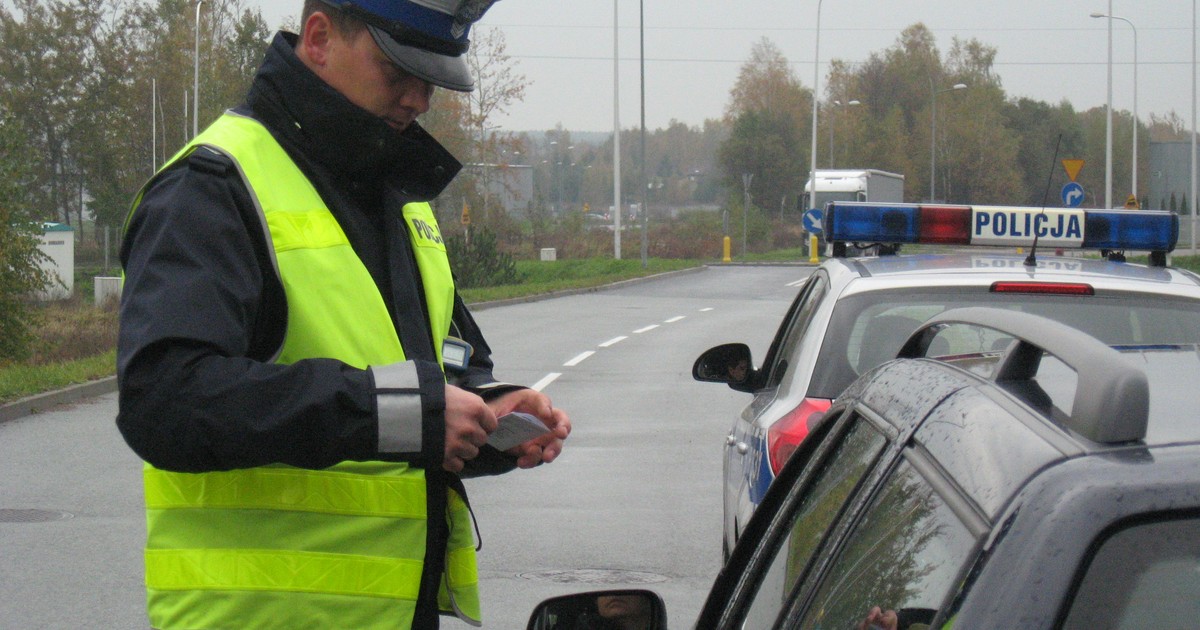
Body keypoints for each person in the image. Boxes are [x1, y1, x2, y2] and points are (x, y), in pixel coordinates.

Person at [115, 0, 570, 628]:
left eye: (432, 80)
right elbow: (164, 399)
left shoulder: (396, 196)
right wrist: (409, 414)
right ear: (321, 38)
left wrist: (486, 414)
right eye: (397, 71)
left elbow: (433, 372)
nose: (419, 100)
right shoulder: (213, 185)